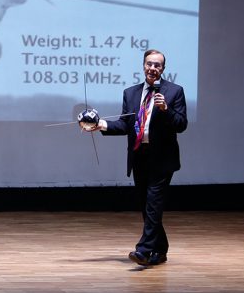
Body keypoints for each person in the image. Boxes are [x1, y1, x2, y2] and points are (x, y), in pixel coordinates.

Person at [80, 49, 188, 266]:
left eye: (157, 65)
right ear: (143, 66)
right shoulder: (130, 93)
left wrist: (165, 109)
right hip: (139, 157)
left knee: (153, 205)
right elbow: (124, 125)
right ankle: (160, 250)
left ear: (163, 69)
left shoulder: (175, 91)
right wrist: (101, 124)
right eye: (149, 64)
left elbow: (181, 125)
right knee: (147, 206)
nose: (153, 68)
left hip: (162, 159)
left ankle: (143, 251)